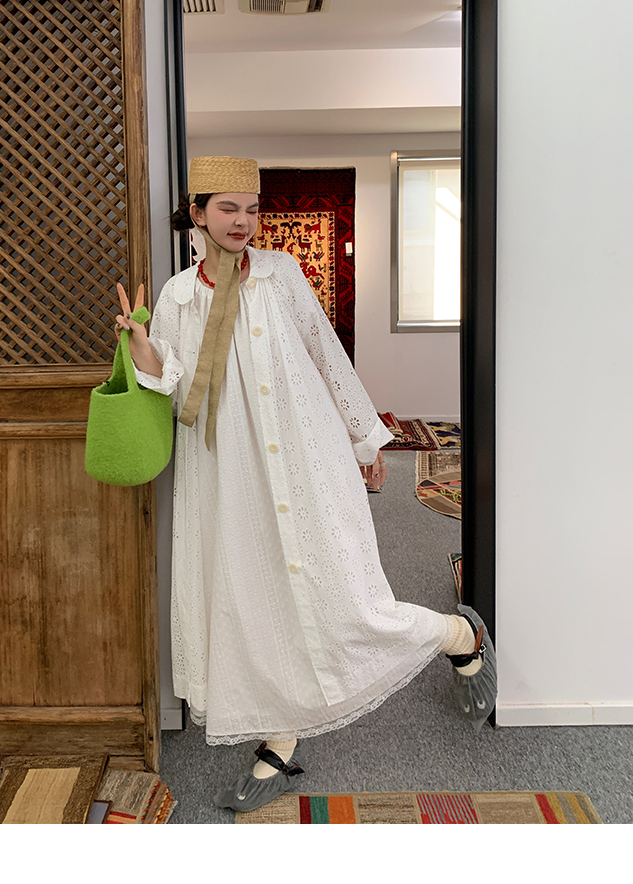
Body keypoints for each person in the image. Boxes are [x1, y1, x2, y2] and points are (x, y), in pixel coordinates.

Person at [116, 156, 496, 813]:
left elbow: (325, 352)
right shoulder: (178, 295)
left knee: (341, 591)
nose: (242, 221)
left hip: (303, 454)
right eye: (228, 208)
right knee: (254, 596)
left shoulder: (280, 275)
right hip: (227, 470)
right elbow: (171, 381)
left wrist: (364, 439)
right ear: (197, 213)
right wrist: (141, 343)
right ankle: (280, 737)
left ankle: (457, 637)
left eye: (252, 209)